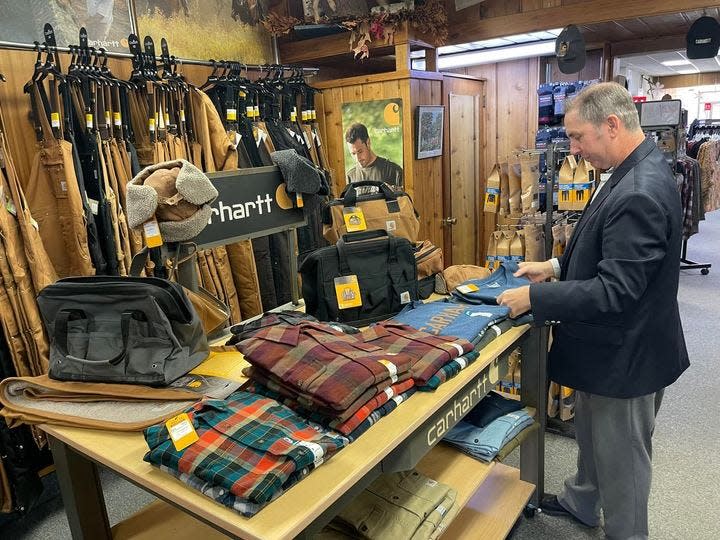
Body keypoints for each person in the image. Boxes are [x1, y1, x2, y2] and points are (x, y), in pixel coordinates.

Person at [497, 82, 689, 540]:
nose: (576, 150)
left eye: (579, 137)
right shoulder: (632, 167)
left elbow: (615, 290)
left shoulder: (638, 190)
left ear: (613, 125)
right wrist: (555, 264)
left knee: (622, 460)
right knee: (592, 438)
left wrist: (536, 299)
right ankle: (582, 502)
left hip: (627, 356)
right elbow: (609, 248)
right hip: (614, 347)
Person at [345, 122, 403, 188]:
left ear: (368, 143)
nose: (357, 159)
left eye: (360, 151)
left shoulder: (394, 171)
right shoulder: (350, 177)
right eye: (353, 154)